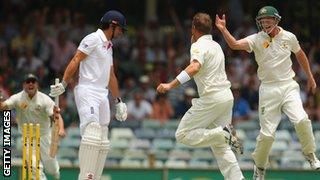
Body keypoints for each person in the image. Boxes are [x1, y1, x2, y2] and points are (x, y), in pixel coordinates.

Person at [215, 6, 320, 179]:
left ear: (276, 20)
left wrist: (310, 77)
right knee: (267, 135)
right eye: (262, 21)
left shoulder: (289, 37)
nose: (265, 23)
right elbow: (234, 44)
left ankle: (311, 155)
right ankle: (260, 167)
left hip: (288, 86)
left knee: (302, 119)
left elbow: (300, 55)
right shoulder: (257, 39)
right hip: (268, 89)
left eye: (268, 20)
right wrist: (224, 29)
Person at [157, 12, 244, 180]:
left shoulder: (198, 46)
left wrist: (170, 84)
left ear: (193, 28)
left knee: (182, 134)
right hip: (226, 97)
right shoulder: (216, 45)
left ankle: (222, 133)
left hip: (211, 98)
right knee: (221, 148)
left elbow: (195, 67)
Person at [49, 10, 128, 180]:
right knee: (92, 132)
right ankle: (86, 177)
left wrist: (118, 101)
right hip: (87, 90)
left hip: (102, 93)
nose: (122, 32)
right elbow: (76, 59)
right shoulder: (92, 38)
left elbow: (111, 75)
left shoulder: (109, 46)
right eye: (121, 28)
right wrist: (64, 83)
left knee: (103, 138)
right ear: (112, 25)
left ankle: (95, 178)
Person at [0, 73, 65, 179]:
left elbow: (56, 116)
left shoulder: (44, 99)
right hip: (27, 137)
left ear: (37, 85)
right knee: (33, 167)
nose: (31, 84)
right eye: (28, 82)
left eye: (33, 82)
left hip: (44, 136)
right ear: (23, 85)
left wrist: (61, 128)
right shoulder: (17, 98)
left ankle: (55, 172)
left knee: (51, 169)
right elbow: (3, 106)